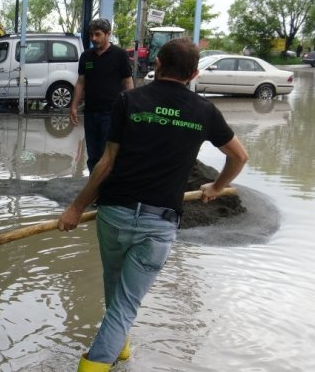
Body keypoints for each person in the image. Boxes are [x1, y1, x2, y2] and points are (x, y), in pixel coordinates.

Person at [58, 38, 249, 372]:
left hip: (114, 214)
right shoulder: (204, 111)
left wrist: (76, 207)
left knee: (116, 294)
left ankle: (122, 353)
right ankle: (97, 363)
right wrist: (217, 186)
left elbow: (106, 162)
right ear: (193, 74)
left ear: (157, 63)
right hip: (158, 224)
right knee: (125, 304)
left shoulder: (129, 100)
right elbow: (239, 155)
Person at [70, 18, 134, 173]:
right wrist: (73, 106)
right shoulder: (86, 56)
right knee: (93, 154)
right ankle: (94, 186)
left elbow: (128, 83)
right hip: (91, 112)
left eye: (97, 34)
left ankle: (107, 188)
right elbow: (80, 82)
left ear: (108, 34)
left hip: (112, 113)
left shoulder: (120, 55)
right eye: (91, 35)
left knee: (108, 154)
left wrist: (131, 109)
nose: (93, 38)